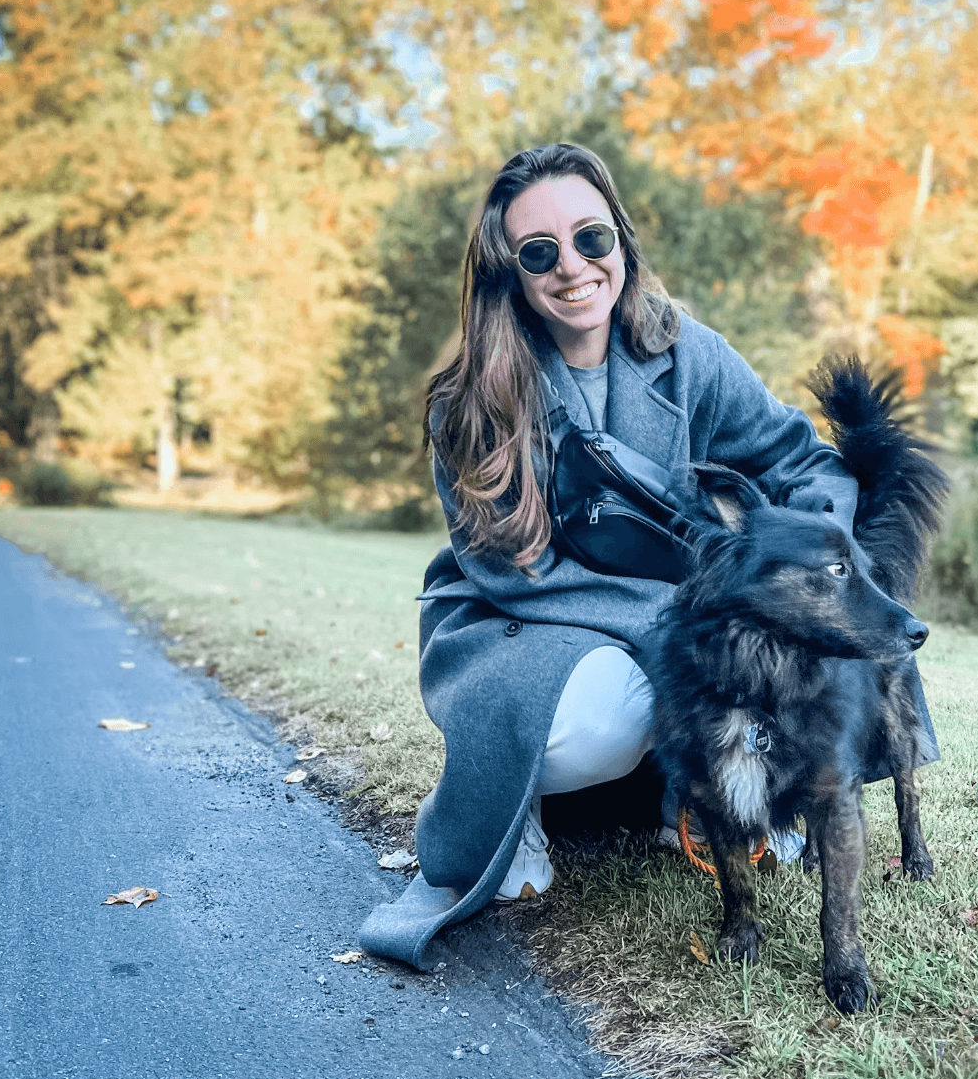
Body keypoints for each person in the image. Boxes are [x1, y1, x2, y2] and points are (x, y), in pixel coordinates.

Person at [359, 142, 938, 968]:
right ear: (509, 273)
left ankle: (694, 800)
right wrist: (678, 619)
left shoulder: (689, 351)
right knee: (599, 718)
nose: (573, 267)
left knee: (798, 634)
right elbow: (508, 572)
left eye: (591, 237)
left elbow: (800, 460)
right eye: (538, 252)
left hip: (671, 615)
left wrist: (811, 555)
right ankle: (507, 801)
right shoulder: (468, 402)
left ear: (621, 240)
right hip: (520, 619)